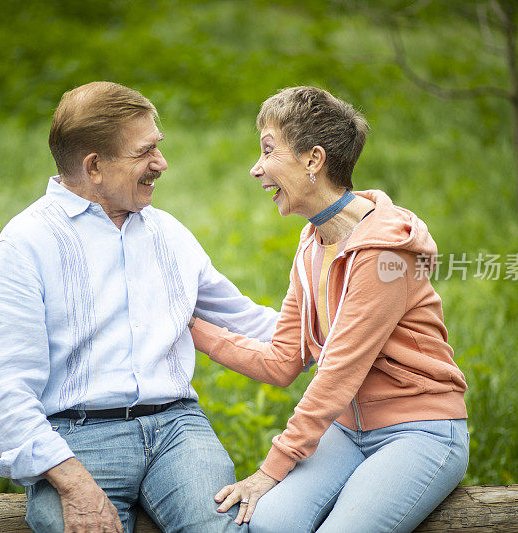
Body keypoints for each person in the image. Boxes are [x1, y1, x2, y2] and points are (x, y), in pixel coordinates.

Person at [0, 81, 278, 533]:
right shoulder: (25, 243)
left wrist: (359, 332)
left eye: (159, 147)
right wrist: (73, 484)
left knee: (223, 528)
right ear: (93, 166)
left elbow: (249, 321)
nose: (161, 163)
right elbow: (3, 388)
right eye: (145, 152)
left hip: (178, 432)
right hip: (76, 438)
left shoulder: (168, 233)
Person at [189, 86, 469, 533]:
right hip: (346, 431)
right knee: (268, 525)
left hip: (419, 430)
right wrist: (191, 329)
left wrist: (271, 469)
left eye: (267, 150)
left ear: (313, 159)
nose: (255, 168)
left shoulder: (384, 253)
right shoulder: (313, 241)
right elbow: (283, 361)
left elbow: (337, 372)